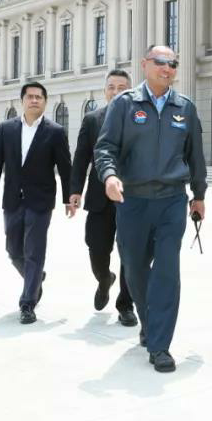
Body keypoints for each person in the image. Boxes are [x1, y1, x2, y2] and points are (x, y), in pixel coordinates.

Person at [93, 45, 207, 372]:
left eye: (173, 63)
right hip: (133, 201)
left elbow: (195, 155)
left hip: (171, 200)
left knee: (167, 271)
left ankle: (160, 346)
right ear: (145, 64)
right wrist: (110, 176)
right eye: (160, 62)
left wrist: (199, 195)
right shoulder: (125, 104)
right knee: (135, 270)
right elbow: (105, 147)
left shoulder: (185, 107)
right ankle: (150, 322)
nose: (167, 68)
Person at [0, 82, 73, 324]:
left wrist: (69, 198)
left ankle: (28, 303)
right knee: (13, 251)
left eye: (39, 97)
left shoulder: (55, 131)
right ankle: (36, 277)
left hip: (41, 201)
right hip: (12, 200)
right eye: (30, 97)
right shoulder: (6, 129)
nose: (34, 100)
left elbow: (65, 168)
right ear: (22, 101)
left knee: (34, 252)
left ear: (45, 102)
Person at [69, 69, 137, 326]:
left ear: (130, 92)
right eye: (111, 87)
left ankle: (126, 305)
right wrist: (75, 190)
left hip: (133, 199)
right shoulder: (92, 120)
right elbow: (81, 158)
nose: (116, 92)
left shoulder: (141, 119)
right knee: (96, 249)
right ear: (105, 90)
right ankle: (104, 279)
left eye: (122, 88)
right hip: (99, 198)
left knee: (131, 253)